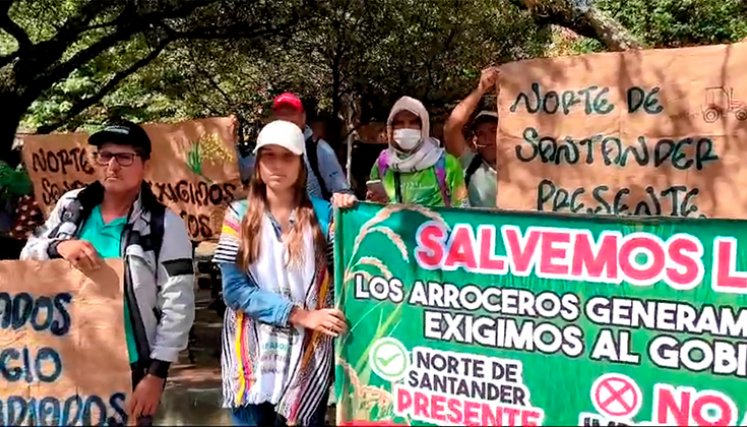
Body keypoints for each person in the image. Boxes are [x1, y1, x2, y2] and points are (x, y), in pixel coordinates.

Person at [20, 120, 195, 425]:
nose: (112, 165)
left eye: (125, 157)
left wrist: (156, 375)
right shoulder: (71, 206)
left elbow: (177, 305)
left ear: (145, 164)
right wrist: (58, 247)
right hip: (60, 364)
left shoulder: (163, 224)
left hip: (126, 370)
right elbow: (27, 256)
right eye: (104, 155)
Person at [212, 120, 356, 426]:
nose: (278, 165)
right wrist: (300, 315)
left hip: (309, 354)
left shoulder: (325, 214)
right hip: (252, 355)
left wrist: (351, 216)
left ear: (301, 163)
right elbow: (234, 291)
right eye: (269, 156)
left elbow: (345, 274)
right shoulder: (238, 215)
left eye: (287, 156)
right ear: (258, 163)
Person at [366, 96, 468, 208]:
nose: (406, 128)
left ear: (424, 126)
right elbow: (372, 207)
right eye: (399, 123)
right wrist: (373, 200)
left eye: (413, 123)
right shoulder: (383, 163)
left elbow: (462, 211)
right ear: (391, 129)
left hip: (435, 224)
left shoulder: (446, 163)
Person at [271, 92, 351, 200]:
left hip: (315, 215)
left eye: (291, 113)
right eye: (281, 113)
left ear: (303, 117)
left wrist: (343, 199)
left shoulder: (320, 149)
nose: (286, 119)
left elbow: (341, 190)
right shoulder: (265, 151)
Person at [444, 66, 500, 208]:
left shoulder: (524, 164)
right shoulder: (469, 164)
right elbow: (452, 127)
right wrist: (481, 89)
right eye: (480, 133)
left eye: (494, 131)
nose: (487, 137)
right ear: (475, 141)